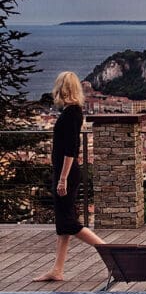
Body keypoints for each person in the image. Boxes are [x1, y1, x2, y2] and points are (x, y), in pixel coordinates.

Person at [34, 72, 104, 282]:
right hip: (64, 172)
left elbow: (71, 150)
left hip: (67, 174)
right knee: (63, 225)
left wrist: (63, 178)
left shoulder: (72, 113)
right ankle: (57, 270)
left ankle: (110, 251)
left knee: (69, 222)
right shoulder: (71, 111)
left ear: (62, 88)